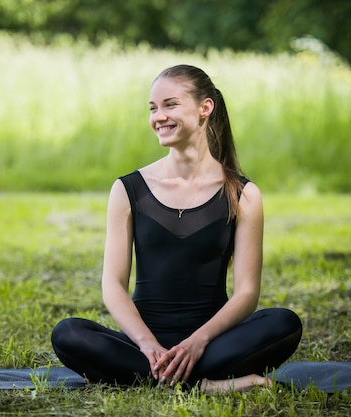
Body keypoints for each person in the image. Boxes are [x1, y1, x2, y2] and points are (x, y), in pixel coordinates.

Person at [51, 64, 302, 393]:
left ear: (205, 108)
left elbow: (246, 294)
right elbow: (112, 285)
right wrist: (148, 345)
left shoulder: (243, 194)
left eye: (170, 104)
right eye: (153, 108)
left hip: (212, 344)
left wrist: (197, 342)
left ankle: (151, 378)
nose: (159, 117)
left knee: (284, 323)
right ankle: (204, 385)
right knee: (68, 333)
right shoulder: (129, 189)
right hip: (143, 347)